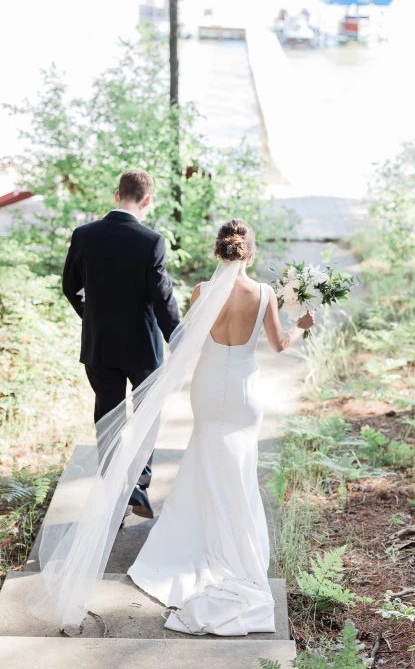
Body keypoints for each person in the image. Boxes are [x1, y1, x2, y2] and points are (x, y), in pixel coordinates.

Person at [127, 219, 314, 635]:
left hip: (208, 387)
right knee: (240, 464)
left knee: (205, 453)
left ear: (219, 252)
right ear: (250, 252)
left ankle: (201, 538)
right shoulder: (264, 294)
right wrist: (301, 326)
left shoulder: (202, 292)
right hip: (243, 391)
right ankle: (236, 545)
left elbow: (186, 339)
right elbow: (280, 345)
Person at [62, 168, 180, 518]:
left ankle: (114, 492)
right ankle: (139, 485)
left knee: (108, 416)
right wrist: (179, 338)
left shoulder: (84, 235)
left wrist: (92, 317)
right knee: (146, 415)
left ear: (117, 195)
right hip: (142, 347)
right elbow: (162, 299)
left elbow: (70, 287)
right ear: (147, 200)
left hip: (100, 345)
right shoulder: (151, 241)